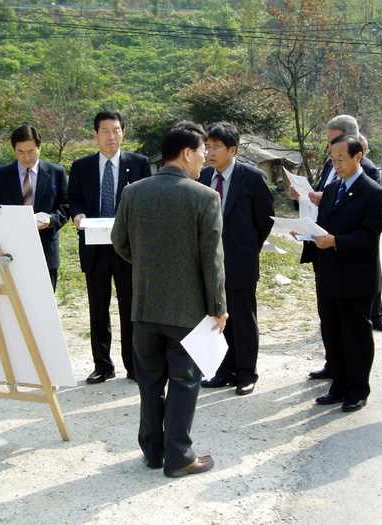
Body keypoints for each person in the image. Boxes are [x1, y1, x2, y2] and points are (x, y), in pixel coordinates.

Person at [111, 120, 228, 477]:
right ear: (187, 153)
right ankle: (178, 455)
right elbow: (212, 259)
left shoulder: (134, 191)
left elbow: (119, 242)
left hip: (144, 305)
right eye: (203, 152)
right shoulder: (205, 197)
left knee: (149, 380)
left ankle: (152, 451)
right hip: (187, 308)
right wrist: (219, 308)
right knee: (184, 379)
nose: (205, 160)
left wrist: (148, 266)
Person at [289, 115, 382, 382]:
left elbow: (368, 236)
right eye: (333, 159)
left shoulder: (372, 190)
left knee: (355, 332)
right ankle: (336, 379)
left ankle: (356, 388)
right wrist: (305, 232)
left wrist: (336, 241)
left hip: (354, 272)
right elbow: (324, 219)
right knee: (331, 327)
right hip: (329, 268)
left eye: (341, 158)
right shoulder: (333, 187)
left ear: (358, 156)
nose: (337, 164)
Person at [68, 111, 151, 384]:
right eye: (105, 131)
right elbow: (74, 199)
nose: (111, 136)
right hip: (94, 248)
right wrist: (77, 215)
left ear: (123, 133)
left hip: (127, 249)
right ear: (95, 134)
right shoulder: (81, 167)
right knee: (98, 309)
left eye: (116, 130)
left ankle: (134, 365)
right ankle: (102, 364)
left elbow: (145, 202)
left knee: (130, 308)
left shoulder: (139, 164)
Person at [198, 122, 274, 396]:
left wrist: (245, 247)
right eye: (207, 147)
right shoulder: (204, 177)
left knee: (242, 318)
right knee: (217, 317)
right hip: (209, 262)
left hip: (240, 260)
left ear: (233, 149)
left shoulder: (252, 177)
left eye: (216, 148)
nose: (210, 153)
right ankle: (224, 370)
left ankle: (246, 373)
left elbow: (264, 220)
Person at [0, 126, 69, 291]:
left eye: (31, 151)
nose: (27, 157)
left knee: (45, 298)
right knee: (14, 299)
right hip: (10, 246)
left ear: (39, 147)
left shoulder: (56, 172)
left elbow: (66, 205)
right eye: (20, 152)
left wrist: (51, 220)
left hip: (45, 245)